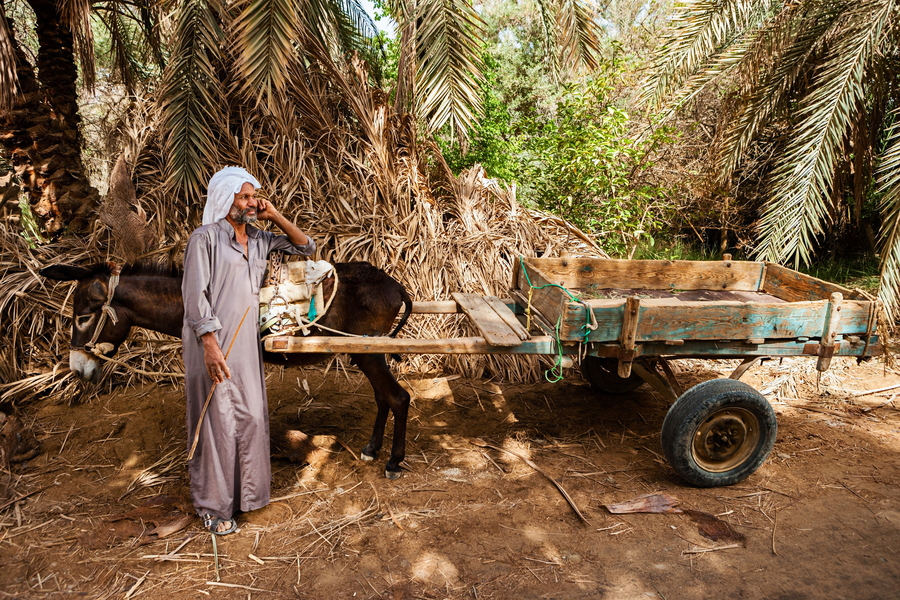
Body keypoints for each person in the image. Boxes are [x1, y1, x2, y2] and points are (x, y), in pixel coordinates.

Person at [182, 167, 315, 534]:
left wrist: (274, 215)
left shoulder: (260, 239)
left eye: (254, 196)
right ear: (226, 202)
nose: (252, 203)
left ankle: (247, 496)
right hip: (211, 343)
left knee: (251, 417)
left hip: (244, 346)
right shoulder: (204, 239)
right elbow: (195, 298)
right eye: (245, 198)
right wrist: (209, 345)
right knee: (217, 423)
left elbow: (306, 246)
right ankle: (213, 507)